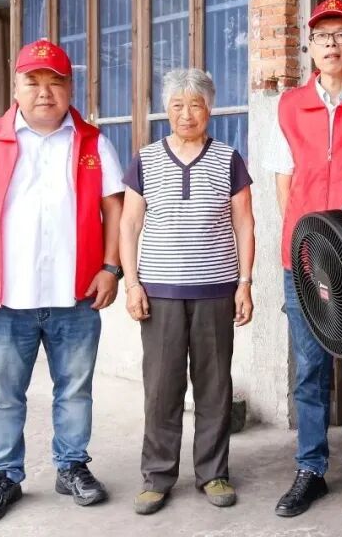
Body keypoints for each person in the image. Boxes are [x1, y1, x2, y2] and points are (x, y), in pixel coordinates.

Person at [0, 39, 125, 522]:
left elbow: (114, 208)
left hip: (76, 294)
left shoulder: (92, 142)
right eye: (33, 82)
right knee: (4, 395)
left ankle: (72, 466)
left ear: (70, 88)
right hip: (7, 296)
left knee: (75, 390)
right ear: (16, 87)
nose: (45, 92)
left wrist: (111, 268)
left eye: (55, 82)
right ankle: (3, 475)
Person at [266, 0, 342, 519]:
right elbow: (284, 179)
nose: (331, 44)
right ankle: (311, 468)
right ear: (310, 47)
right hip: (305, 259)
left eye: (341, 35)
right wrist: (307, 240)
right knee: (309, 369)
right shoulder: (290, 106)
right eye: (322, 36)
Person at [120, 68, 255, 515]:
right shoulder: (145, 159)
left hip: (216, 290)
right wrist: (132, 284)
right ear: (166, 109)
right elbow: (129, 224)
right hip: (159, 292)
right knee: (161, 387)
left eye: (195, 105)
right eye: (177, 105)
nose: (186, 114)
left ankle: (213, 473)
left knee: (214, 387)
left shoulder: (229, 158)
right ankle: (157, 477)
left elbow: (244, 224)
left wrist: (245, 283)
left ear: (209, 109)